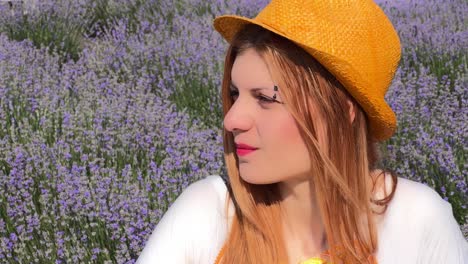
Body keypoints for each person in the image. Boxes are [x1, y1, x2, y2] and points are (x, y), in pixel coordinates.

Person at [136, 0, 468, 263]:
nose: (231, 120)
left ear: (342, 111)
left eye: (265, 98)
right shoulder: (208, 216)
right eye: (235, 95)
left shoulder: (414, 220)